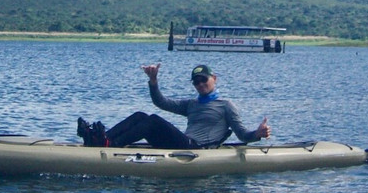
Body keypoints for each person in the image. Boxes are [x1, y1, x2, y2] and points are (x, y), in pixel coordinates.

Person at [77, 63, 270, 149]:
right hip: (182, 143)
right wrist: (153, 81)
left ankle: (111, 145)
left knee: (152, 121)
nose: (201, 84)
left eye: (204, 80)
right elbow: (161, 102)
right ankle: (103, 140)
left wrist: (257, 134)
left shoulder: (226, 105)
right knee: (140, 115)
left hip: (196, 148)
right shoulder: (192, 104)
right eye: (196, 82)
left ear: (214, 79)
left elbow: (242, 134)